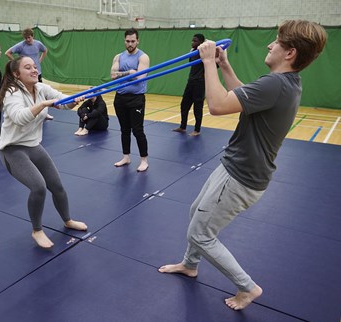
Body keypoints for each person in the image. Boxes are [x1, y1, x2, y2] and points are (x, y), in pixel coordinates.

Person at [159, 20, 327, 311]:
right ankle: (189, 264)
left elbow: (219, 105)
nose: (269, 45)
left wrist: (208, 62)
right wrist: (223, 66)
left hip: (239, 177)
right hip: (235, 169)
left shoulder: (276, 83)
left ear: (289, 53)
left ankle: (247, 287)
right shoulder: (286, 83)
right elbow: (244, 99)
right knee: (194, 213)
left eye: (276, 42)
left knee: (200, 233)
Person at [0, 56, 87, 249]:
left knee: (57, 186)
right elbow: (20, 118)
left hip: (33, 146)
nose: (34, 70)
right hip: (12, 150)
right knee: (38, 187)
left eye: (35, 66)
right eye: (27, 68)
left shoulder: (40, 88)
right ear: (16, 74)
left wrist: (73, 101)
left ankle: (68, 220)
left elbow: (62, 101)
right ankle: (37, 230)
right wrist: (46, 104)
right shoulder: (12, 93)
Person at [110, 28, 150, 172]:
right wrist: (129, 72)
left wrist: (129, 74)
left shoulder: (143, 57)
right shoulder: (118, 57)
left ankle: (144, 160)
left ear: (137, 41)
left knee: (138, 130)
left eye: (133, 41)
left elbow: (140, 77)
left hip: (136, 99)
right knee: (124, 130)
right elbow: (113, 75)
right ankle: (126, 157)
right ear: (124, 41)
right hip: (120, 97)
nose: (130, 44)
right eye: (128, 41)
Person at [5, 28, 53, 120]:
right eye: (26, 38)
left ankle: (44, 113)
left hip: (37, 73)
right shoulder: (21, 45)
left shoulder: (38, 44)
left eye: (29, 37)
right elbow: (7, 53)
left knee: (40, 92)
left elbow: (45, 50)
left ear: (32, 36)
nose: (27, 39)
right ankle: (30, 111)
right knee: (28, 93)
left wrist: (39, 61)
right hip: (26, 75)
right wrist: (17, 64)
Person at [173, 34, 206, 136]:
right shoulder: (192, 51)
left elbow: (215, 64)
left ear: (201, 42)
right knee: (184, 105)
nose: (192, 42)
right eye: (192, 40)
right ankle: (183, 127)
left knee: (197, 107)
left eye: (195, 41)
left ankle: (197, 130)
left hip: (200, 83)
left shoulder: (205, 52)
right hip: (191, 81)